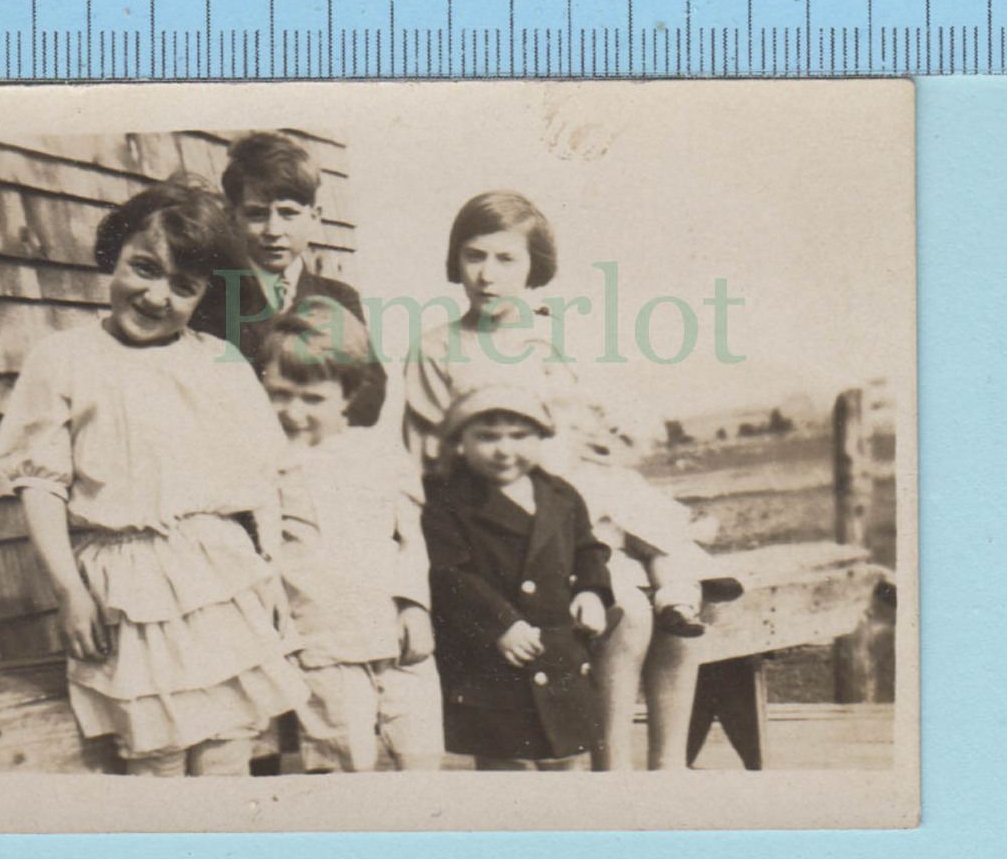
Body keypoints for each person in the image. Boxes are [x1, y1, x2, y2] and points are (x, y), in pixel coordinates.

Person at [404, 189, 740, 770]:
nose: (487, 275)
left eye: (507, 259)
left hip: (584, 511)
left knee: (680, 601)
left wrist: (603, 440)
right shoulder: (437, 350)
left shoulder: (558, 338)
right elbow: (432, 467)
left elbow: (604, 423)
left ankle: (668, 769)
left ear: (535, 266)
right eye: (473, 256)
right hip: (503, 536)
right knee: (626, 610)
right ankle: (610, 770)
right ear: (454, 261)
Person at [0, 176, 308, 777]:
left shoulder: (219, 363)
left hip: (219, 580)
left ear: (205, 296)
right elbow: (40, 483)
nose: (157, 296)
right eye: (144, 268)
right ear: (116, 256)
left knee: (226, 751)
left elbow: (259, 487)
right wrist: (69, 592)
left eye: (183, 287)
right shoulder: (64, 359)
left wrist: (268, 584)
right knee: (155, 756)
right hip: (126, 590)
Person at [258, 301, 443, 771]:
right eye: (279, 394)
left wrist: (414, 607)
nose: (293, 412)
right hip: (324, 640)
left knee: (422, 760)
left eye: (312, 398)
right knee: (344, 764)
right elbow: (265, 553)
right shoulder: (265, 464)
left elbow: (410, 541)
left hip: (398, 635)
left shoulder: (380, 454)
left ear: (348, 394)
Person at [421, 379, 613, 770]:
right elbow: (449, 574)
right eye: (487, 436)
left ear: (541, 437)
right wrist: (500, 625)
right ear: (460, 441)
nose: (504, 449)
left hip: (557, 647)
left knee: (566, 755)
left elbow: (588, 549)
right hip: (490, 653)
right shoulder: (447, 499)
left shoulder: (560, 494)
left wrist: (592, 592)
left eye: (519, 436)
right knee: (504, 761)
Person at [190, 130, 387, 426]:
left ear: (315, 217)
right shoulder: (214, 296)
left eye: (288, 213)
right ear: (233, 217)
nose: (273, 229)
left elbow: (370, 390)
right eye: (257, 214)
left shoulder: (340, 298)